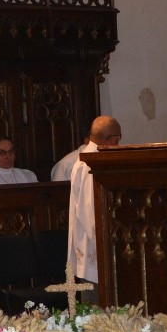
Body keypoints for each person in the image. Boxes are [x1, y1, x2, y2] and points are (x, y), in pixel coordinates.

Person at [67, 117, 122, 285]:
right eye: (119, 138)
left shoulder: (93, 158)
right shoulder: (90, 164)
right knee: (97, 307)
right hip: (93, 247)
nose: (118, 143)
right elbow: (89, 210)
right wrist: (107, 243)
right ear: (111, 139)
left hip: (95, 245)